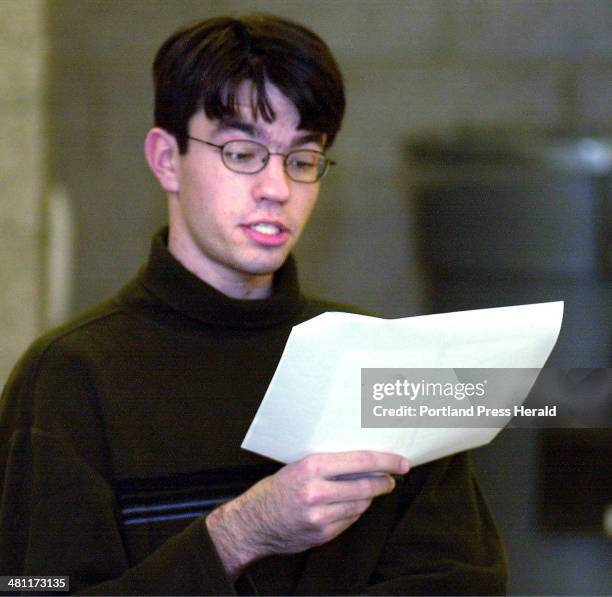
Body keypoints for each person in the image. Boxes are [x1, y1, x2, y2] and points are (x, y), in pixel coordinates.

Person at [0, 14, 507, 595]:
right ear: (167, 159)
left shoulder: (385, 365)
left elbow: (462, 583)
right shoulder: (71, 378)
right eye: (243, 153)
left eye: (301, 159)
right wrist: (239, 534)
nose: (277, 188)